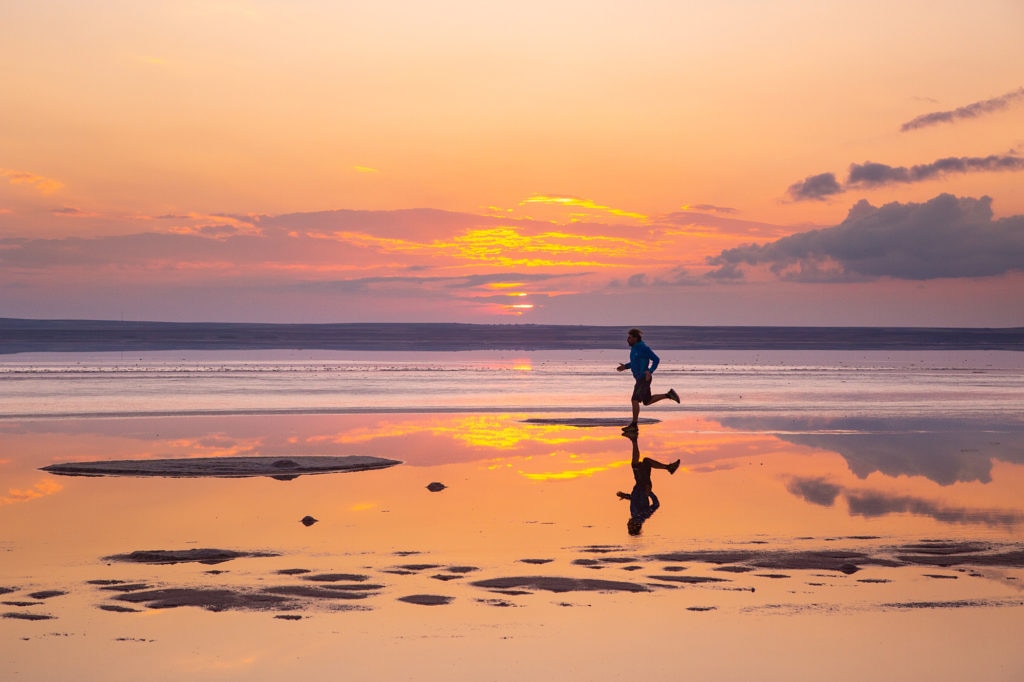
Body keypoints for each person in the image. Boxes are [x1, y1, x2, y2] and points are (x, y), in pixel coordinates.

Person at [616, 328, 679, 432]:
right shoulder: (634, 348)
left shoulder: (643, 348)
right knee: (647, 401)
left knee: (634, 400)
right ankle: (669, 395)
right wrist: (625, 367)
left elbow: (656, 359)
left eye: (630, 338)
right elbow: (635, 362)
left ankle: (634, 425)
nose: (628, 340)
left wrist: (650, 371)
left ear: (636, 338)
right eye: (628, 337)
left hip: (643, 378)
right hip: (640, 379)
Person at [617, 431, 680, 535]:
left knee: (645, 462)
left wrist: (625, 496)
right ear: (634, 526)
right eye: (629, 527)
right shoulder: (641, 515)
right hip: (643, 485)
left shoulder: (637, 515)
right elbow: (656, 504)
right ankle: (634, 439)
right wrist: (649, 492)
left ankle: (669, 467)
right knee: (635, 465)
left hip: (640, 485)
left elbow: (634, 498)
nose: (627, 524)